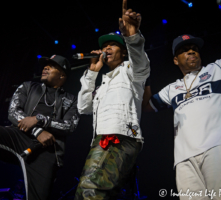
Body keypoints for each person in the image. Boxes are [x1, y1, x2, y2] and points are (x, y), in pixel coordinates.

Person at [143, 1, 221, 199]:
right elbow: (147, 106)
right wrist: (144, 75)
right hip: (184, 160)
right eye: (184, 49)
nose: (191, 51)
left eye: (194, 48)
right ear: (175, 60)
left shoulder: (218, 69)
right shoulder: (172, 89)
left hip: (219, 148)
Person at [0, 55, 80, 200]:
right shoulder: (28, 86)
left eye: (51, 66)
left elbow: (70, 126)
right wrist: (38, 131)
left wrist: (39, 120)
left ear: (62, 74)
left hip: (47, 151)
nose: (45, 67)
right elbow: (13, 112)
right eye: (45, 65)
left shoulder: (71, 100)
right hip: (17, 136)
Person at [74, 0, 150, 199]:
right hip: (101, 138)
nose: (106, 49)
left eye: (112, 46)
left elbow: (140, 61)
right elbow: (83, 107)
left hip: (120, 136)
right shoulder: (103, 82)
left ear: (123, 52)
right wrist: (92, 73)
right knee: (101, 192)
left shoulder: (130, 71)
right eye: (104, 46)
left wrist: (131, 35)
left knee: (90, 189)